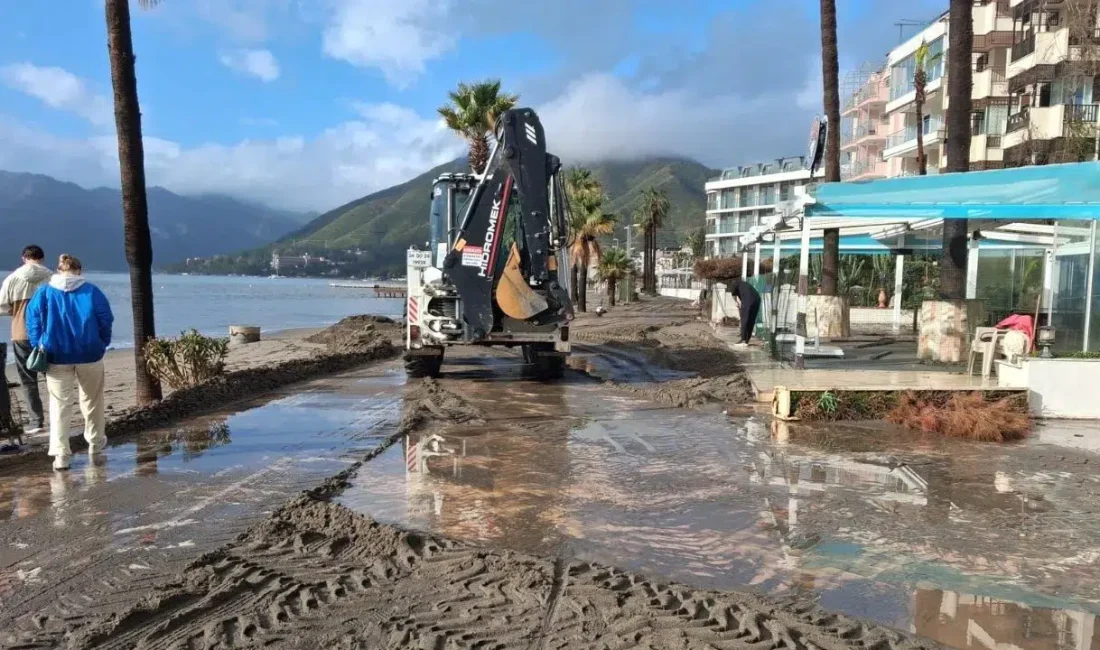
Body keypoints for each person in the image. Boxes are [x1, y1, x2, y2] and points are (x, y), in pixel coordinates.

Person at [25, 255, 113, 470]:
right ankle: (95, 443)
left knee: (59, 405)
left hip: (56, 355)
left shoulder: (45, 292)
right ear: (79, 270)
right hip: (89, 354)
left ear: (58, 270)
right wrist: (102, 342)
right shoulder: (92, 291)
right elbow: (106, 319)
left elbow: (32, 320)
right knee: (92, 401)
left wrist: (39, 343)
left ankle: (61, 454)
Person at [0, 245, 52, 434]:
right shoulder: (52, 278)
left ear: (24, 258)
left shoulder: (12, 278)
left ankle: (36, 422)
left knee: (28, 380)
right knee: (53, 378)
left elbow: (2, 308)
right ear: (42, 258)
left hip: (21, 332)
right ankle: (58, 417)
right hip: (48, 335)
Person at [727, 278, 761, 347]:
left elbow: (733, 294)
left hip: (749, 300)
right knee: (751, 320)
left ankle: (743, 340)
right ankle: (746, 340)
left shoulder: (734, 283)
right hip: (757, 299)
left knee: (744, 319)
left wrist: (736, 302)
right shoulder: (744, 284)